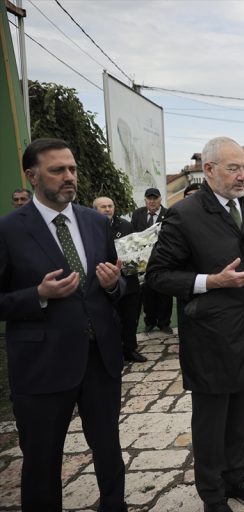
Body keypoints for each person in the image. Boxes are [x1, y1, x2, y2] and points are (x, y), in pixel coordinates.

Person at [146, 137, 244, 511]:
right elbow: (158, 276)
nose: (242, 176)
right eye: (234, 168)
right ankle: (212, 494)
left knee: (240, 418)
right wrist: (210, 281)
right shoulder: (183, 214)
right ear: (208, 170)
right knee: (211, 424)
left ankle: (236, 479)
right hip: (210, 339)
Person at [0, 138, 126, 510]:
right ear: (32, 176)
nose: (69, 177)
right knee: (41, 461)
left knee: (109, 449)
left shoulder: (95, 221)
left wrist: (112, 284)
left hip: (99, 359)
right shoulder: (9, 230)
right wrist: (37, 294)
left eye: (72, 169)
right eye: (57, 170)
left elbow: (113, 283)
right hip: (42, 364)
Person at [93, 196, 146, 363]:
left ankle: (130, 349)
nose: (108, 209)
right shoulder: (90, 227)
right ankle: (112, 351)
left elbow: (135, 249)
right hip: (105, 280)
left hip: (128, 279)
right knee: (110, 318)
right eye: (103, 207)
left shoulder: (126, 225)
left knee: (130, 316)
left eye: (110, 206)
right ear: (95, 209)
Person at [131, 187, 172, 334]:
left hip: (163, 259)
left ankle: (164, 323)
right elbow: (134, 235)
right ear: (145, 200)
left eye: (155, 198)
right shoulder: (138, 214)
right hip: (144, 262)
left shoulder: (168, 214)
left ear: (160, 199)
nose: (152, 201)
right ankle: (150, 322)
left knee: (164, 292)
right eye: (149, 198)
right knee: (147, 292)